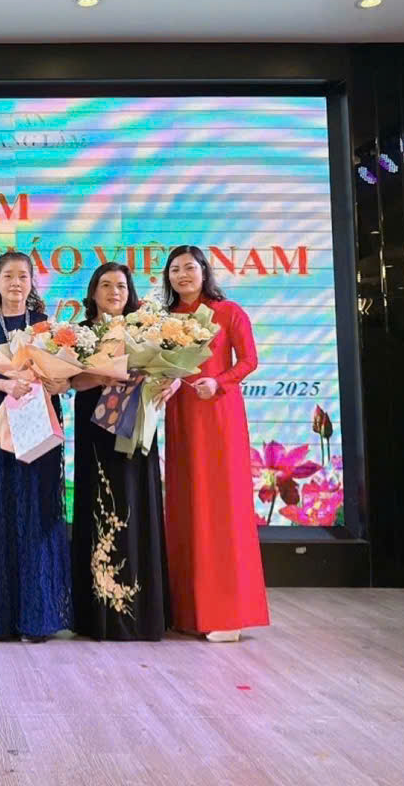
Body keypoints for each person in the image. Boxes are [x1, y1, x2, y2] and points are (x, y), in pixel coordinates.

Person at [160, 245, 270, 641]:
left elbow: (249, 360)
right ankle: (188, 612)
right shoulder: (164, 319)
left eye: (190, 267)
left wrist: (219, 382)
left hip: (219, 416)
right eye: (175, 269)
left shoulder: (228, 312)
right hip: (181, 417)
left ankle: (227, 615)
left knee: (221, 507)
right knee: (185, 505)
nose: (182, 275)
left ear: (205, 271)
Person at [0, 251, 72, 642]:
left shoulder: (44, 325)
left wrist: (60, 382)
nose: (15, 283)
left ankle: (38, 617)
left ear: (31, 281)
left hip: (37, 424)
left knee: (37, 513)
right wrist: (6, 384)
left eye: (22, 276)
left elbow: (64, 374)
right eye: (8, 276)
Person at [70, 263, 171, 641]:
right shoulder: (79, 332)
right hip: (94, 428)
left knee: (135, 501)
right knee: (99, 504)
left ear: (130, 293)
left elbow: (165, 372)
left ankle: (140, 612)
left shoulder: (146, 330)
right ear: (93, 292)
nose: (114, 292)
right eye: (106, 285)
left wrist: (170, 381)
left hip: (136, 427)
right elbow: (71, 381)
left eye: (122, 286)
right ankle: (97, 615)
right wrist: (101, 375)